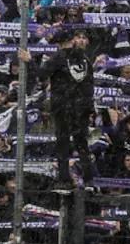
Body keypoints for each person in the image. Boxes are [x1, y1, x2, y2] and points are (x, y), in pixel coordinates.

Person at [34, 31, 97, 188]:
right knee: (81, 143)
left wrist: (30, 61)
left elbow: (41, 74)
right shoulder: (85, 59)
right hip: (80, 107)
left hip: (63, 105)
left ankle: (64, 179)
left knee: (62, 144)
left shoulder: (59, 57)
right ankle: (89, 178)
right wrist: (89, 108)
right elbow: (90, 85)